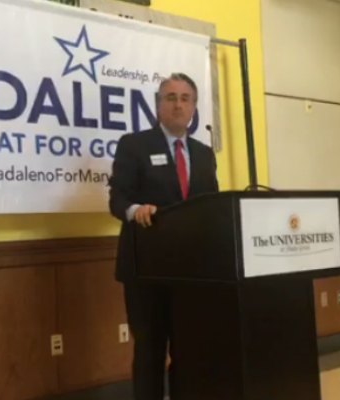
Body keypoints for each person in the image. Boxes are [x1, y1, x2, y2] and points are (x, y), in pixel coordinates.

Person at [108, 72, 219, 400]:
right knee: (149, 351)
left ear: (194, 107)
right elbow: (117, 199)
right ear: (158, 105)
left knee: (188, 349)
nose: (178, 105)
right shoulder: (134, 145)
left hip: (191, 273)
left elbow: (211, 205)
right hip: (146, 269)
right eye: (170, 98)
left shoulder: (203, 154)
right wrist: (135, 210)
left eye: (185, 99)